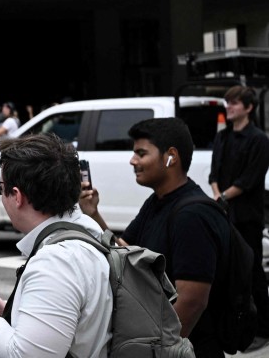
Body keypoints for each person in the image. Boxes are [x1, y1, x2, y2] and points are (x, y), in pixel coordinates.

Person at [0, 133, 113, 358]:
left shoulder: (55, 263)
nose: (1, 196)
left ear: (16, 196)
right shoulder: (86, 229)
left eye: (0, 187)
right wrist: (9, 309)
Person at [80, 118, 230, 357]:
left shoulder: (193, 216)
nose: (133, 161)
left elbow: (192, 300)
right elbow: (126, 254)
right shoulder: (158, 201)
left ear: (171, 156)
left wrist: (162, 351)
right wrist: (92, 213)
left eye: (141, 153)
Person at [209, 85, 269, 343]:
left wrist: (223, 196)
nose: (228, 107)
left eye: (234, 103)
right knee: (227, 270)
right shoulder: (223, 137)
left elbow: (249, 180)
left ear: (248, 107)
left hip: (247, 216)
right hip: (224, 212)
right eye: (227, 103)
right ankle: (236, 324)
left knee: (252, 269)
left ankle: (263, 327)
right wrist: (216, 193)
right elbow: (214, 173)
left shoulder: (259, 139)